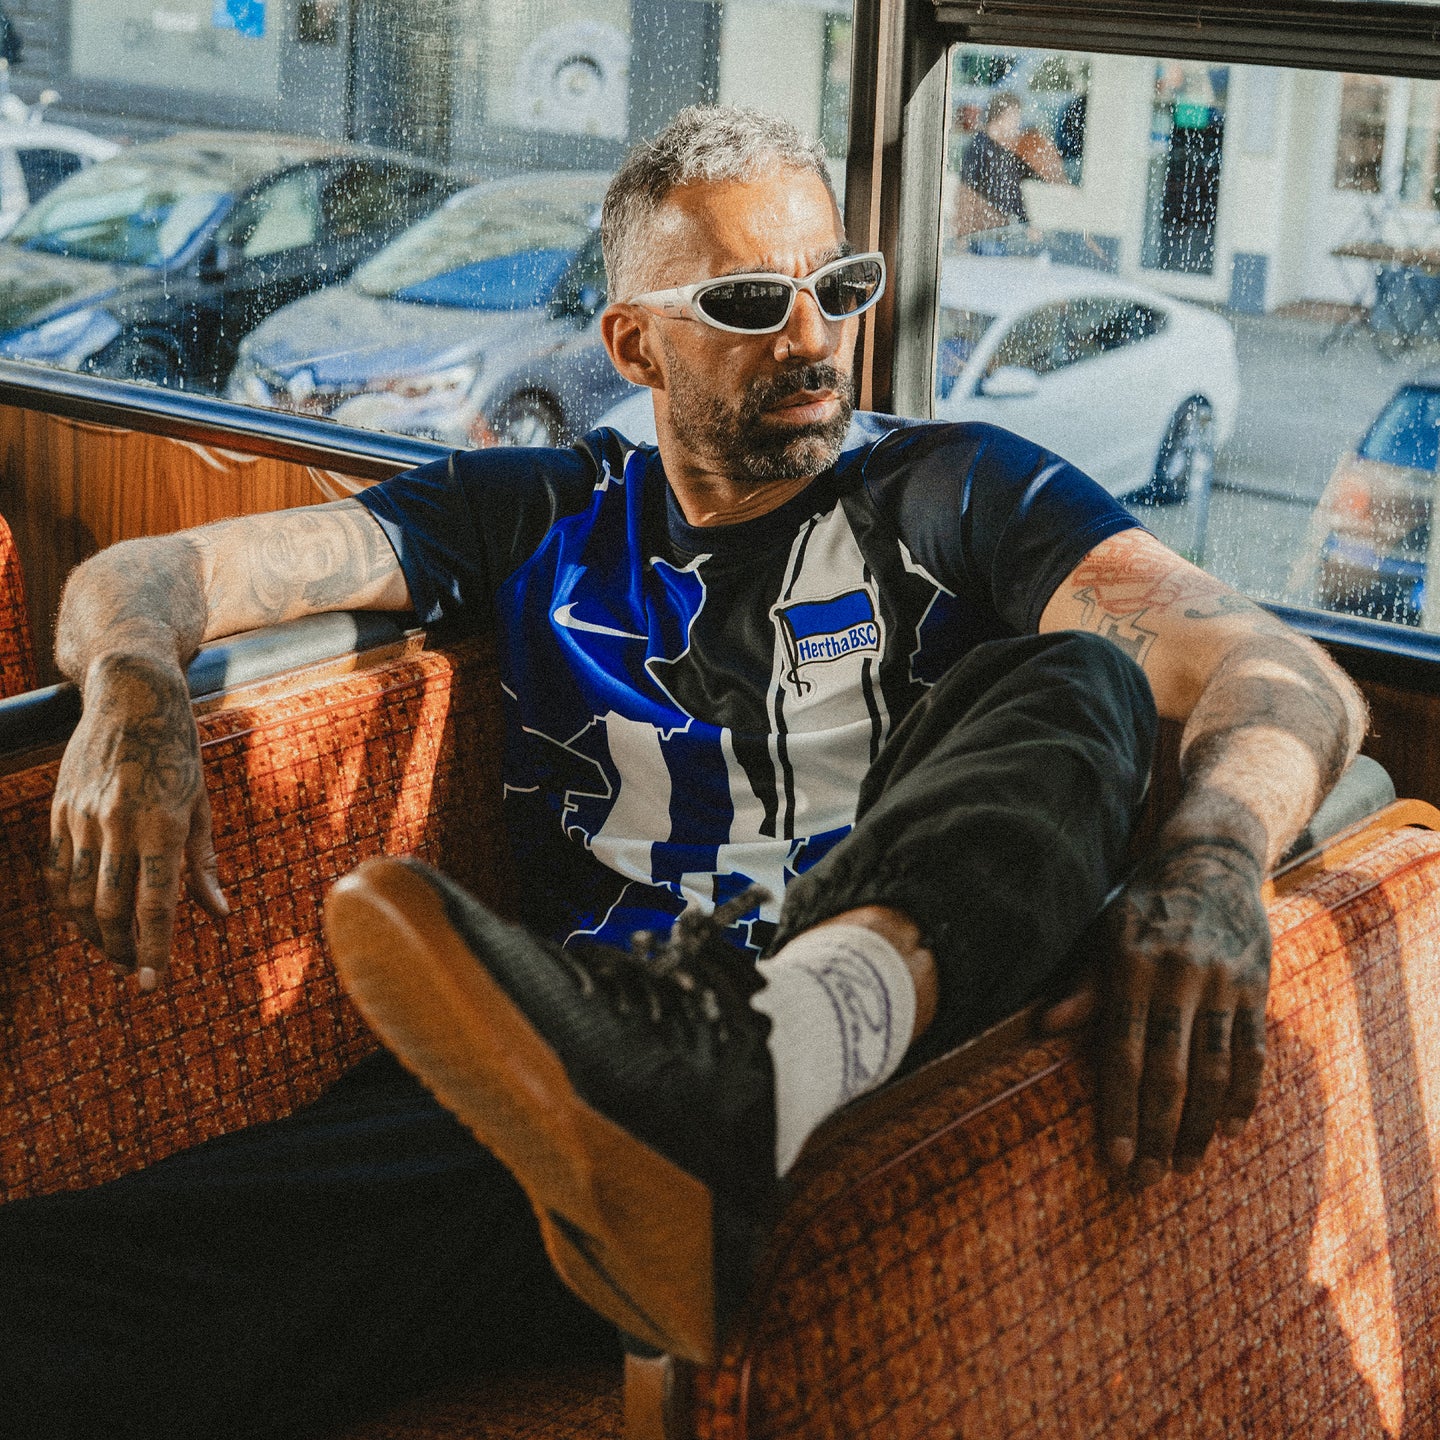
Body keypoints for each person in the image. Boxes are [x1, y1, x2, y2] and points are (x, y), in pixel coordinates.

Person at [12, 104, 1363, 1432]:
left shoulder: (961, 493)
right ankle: (687, 1153)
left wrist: (1209, 859)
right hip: (593, 1119)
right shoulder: (538, 512)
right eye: (749, 302)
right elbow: (153, 572)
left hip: (891, 1093)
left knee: (1081, 680)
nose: (812, 337)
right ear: (632, 343)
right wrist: (134, 687)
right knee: (79, 1294)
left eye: (838, 287)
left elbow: (1284, 674)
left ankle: (779, 1052)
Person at [954, 90, 1041, 238]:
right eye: (1014, 116)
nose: (1017, 122)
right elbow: (966, 189)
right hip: (980, 230)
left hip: (1001, 229)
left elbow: (1013, 190)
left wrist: (1027, 224)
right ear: (999, 116)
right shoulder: (978, 147)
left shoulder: (1007, 149)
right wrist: (961, 228)